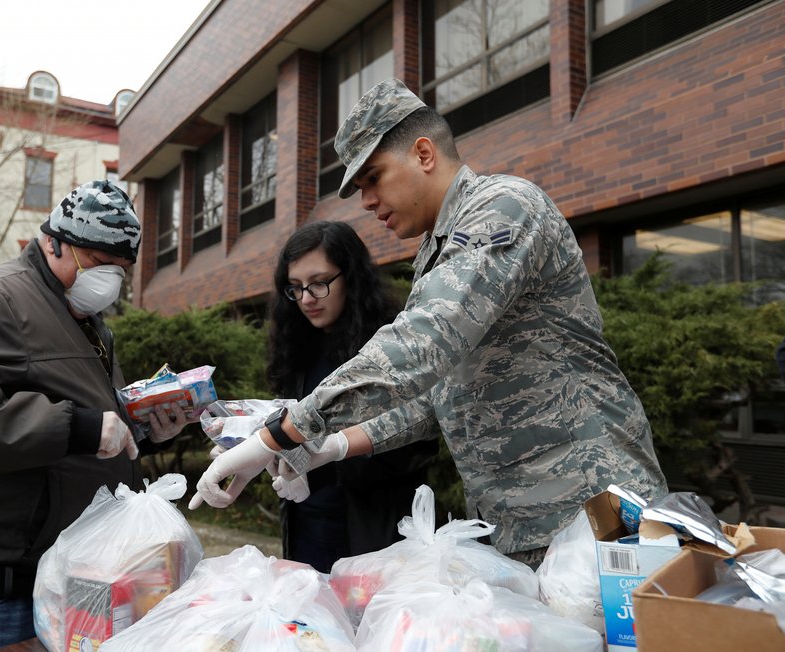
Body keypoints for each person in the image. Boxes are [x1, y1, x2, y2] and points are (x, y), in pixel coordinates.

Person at [190, 78, 668, 567]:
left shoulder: (503, 206)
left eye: (373, 178)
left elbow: (425, 344)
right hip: (518, 524)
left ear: (423, 153)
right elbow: (435, 399)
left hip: (590, 510)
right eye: (359, 189)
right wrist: (329, 446)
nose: (367, 201)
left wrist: (280, 433)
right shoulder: (434, 254)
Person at [0, 180, 192, 651]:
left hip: (51, 575)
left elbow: (85, 422)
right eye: (95, 261)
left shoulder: (86, 324)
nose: (108, 279)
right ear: (52, 241)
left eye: (120, 268)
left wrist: (142, 432)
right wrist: (81, 427)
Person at [265, 221, 438, 572]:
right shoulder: (297, 346)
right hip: (307, 526)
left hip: (374, 534)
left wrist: (331, 452)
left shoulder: (391, 344)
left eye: (319, 283)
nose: (307, 299)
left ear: (351, 276)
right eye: (295, 288)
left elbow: (417, 443)